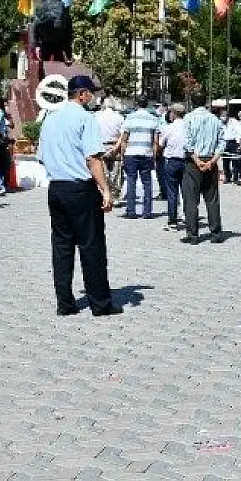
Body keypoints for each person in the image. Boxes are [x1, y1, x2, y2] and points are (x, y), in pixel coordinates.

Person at [37, 75, 116, 317]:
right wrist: (105, 189)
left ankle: (65, 303)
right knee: (91, 246)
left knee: (61, 247)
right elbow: (93, 158)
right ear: (81, 94)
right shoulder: (85, 118)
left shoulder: (50, 119)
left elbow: (41, 156)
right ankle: (100, 303)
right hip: (80, 189)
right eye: (90, 92)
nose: (92, 96)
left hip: (56, 188)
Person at [181, 93, 227, 244]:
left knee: (191, 199)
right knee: (212, 198)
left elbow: (188, 142)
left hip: (194, 161)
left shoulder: (189, 118)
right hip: (210, 160)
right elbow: (222, 143)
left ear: (192, 101)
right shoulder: (216, 120)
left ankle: (192, 234)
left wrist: (196, 160)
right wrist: (212, 161)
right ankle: (216, 233)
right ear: (206, 103)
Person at [118, 96, 161, 219]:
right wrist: (154, 157)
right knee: (147, 182)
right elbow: (155, 142)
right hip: (146, 153)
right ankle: (147, 212)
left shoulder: (129, 118)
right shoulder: (153, 119)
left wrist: (122, 156)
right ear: (147, 104)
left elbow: (124, 140)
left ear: (137, 104)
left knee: (131, 181)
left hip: (131, 153)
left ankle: (131, 211)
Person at [158, 104, 188, 230]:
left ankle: (172, 221)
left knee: (172, 192)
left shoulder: (168, 128)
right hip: (186, 161)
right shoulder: (188, 127)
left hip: (171, 161)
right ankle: (188, 217)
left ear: (174, 113)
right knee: (187, 192)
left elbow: (161, 144)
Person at [96, 97, 125, 188]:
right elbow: (123, 135)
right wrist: (116, 147)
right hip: (115, 146)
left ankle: (105, 195)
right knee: (115, 175)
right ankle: (114, 196)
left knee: (103, 174)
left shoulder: (96, 116)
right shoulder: (120, 118)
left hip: (101, 147)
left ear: (103, 105)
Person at [221, 112, 241, 184]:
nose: (223, 117)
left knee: (235, 161)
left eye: (224, 116)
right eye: (222, 116)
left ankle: (235, 178)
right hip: (224, 142)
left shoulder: (234, 122)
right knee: (225, 161)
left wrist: (238, 144)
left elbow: (239, 132)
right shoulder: (220, 123)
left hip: (233, 142)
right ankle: (227, 177)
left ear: (228, 116)